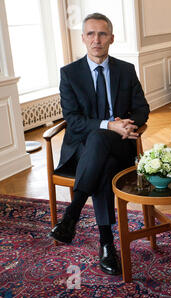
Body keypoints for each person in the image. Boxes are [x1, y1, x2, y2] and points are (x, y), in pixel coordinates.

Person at [48, 13, 150, 276]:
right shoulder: (69, 74)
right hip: (83, 150)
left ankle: (73, 215)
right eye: (91, 34)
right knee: (99, 152)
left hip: (121, 146)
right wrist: (108, 125)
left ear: (112, 38)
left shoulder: (125, 70)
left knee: (100, 142)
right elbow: (73, 120)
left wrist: (125, 125)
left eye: (102, 34)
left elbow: (142, 110)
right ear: (83, 38)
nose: (97, 39)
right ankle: (107, 244)